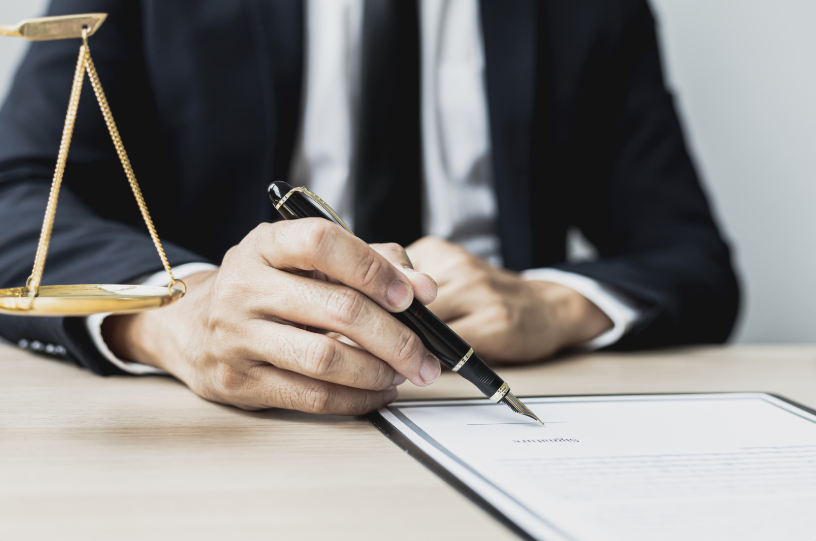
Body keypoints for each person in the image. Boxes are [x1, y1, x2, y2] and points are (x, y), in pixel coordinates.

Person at [0, 0, 739, 415]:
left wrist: (555, 302)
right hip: (230, 415)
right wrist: (180, 310)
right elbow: (14, 195)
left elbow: (693, 260)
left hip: (471, 398)